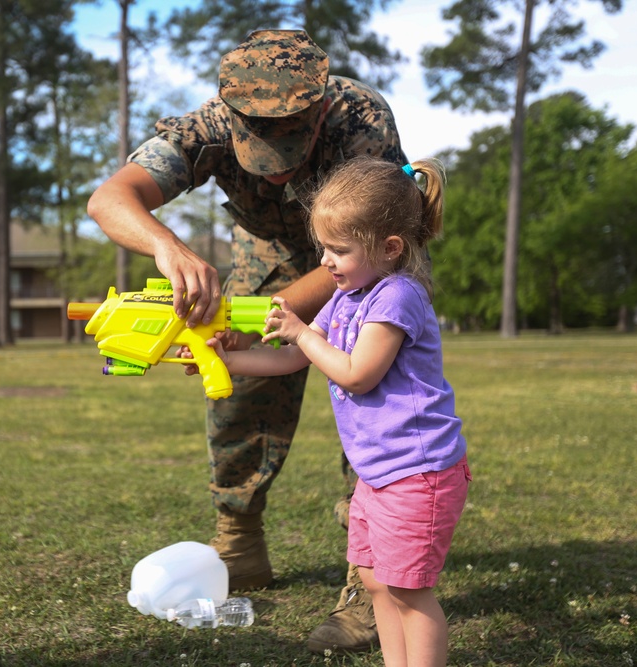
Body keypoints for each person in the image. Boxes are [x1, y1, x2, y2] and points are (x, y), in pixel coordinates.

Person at [86, 29, 406, 652]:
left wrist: (276, 315)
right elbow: (109, 199)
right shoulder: (203, 127)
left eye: (290, 144)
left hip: (365, 264)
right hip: (268, 259)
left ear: (316, 112)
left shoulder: (360, 118)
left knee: (374, 405)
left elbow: (385, 234)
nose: (278, 165)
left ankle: (374, 585)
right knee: (238, 390)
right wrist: (168, 247)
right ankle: (239, 541)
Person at [189, 156, 471, 666]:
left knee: (408, 592)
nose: (325, 262)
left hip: (418, 473)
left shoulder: (397, 296)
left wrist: (300, 331)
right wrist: (225, 355)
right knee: (377, 584)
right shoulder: (346, 297)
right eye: (323, 247)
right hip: (378, 474)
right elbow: (295, 357)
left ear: (390, 248)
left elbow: (357, 372)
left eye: (339, 250)